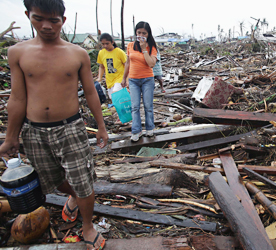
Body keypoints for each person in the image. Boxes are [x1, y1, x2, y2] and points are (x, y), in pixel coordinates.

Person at [0, 0, 108, 249]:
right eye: (39, 19)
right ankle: (72, 196)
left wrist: (101, 126)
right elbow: (17, 98)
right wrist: (10, 137)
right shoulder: (18, 52)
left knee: (83, 180)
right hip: (34, 130)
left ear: (63, 20)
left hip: (70, 127)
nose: (47, 26)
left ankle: (88, 225)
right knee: (49, 180)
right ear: (28, 15)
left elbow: (91, 92)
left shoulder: (77, 54)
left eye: (54, 21)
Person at [121, 21, 158, 142]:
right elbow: (128, 62)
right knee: (135, 106)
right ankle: (136, 131)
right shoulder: (130, 45)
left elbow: (151, 64)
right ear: (135, 33)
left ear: (148, 34)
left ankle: (149, 128)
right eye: (139, 32)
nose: (141, 35)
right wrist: (124, 78)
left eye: (144, 33)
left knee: (148, 106)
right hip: (133, 80)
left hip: (147, 79)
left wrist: (144, 49)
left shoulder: (152, 46)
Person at [96, 33, 127, 99]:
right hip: (109, 80)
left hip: (120, 79)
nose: (105, 46)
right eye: (103, 44)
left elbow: (127, 65)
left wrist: (126, 79)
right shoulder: (101, 53)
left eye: (107, 43)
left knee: (115, 94)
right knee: (114, 100)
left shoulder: (119, 52)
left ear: (112, 42)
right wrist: (100, 78)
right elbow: (101, 66)